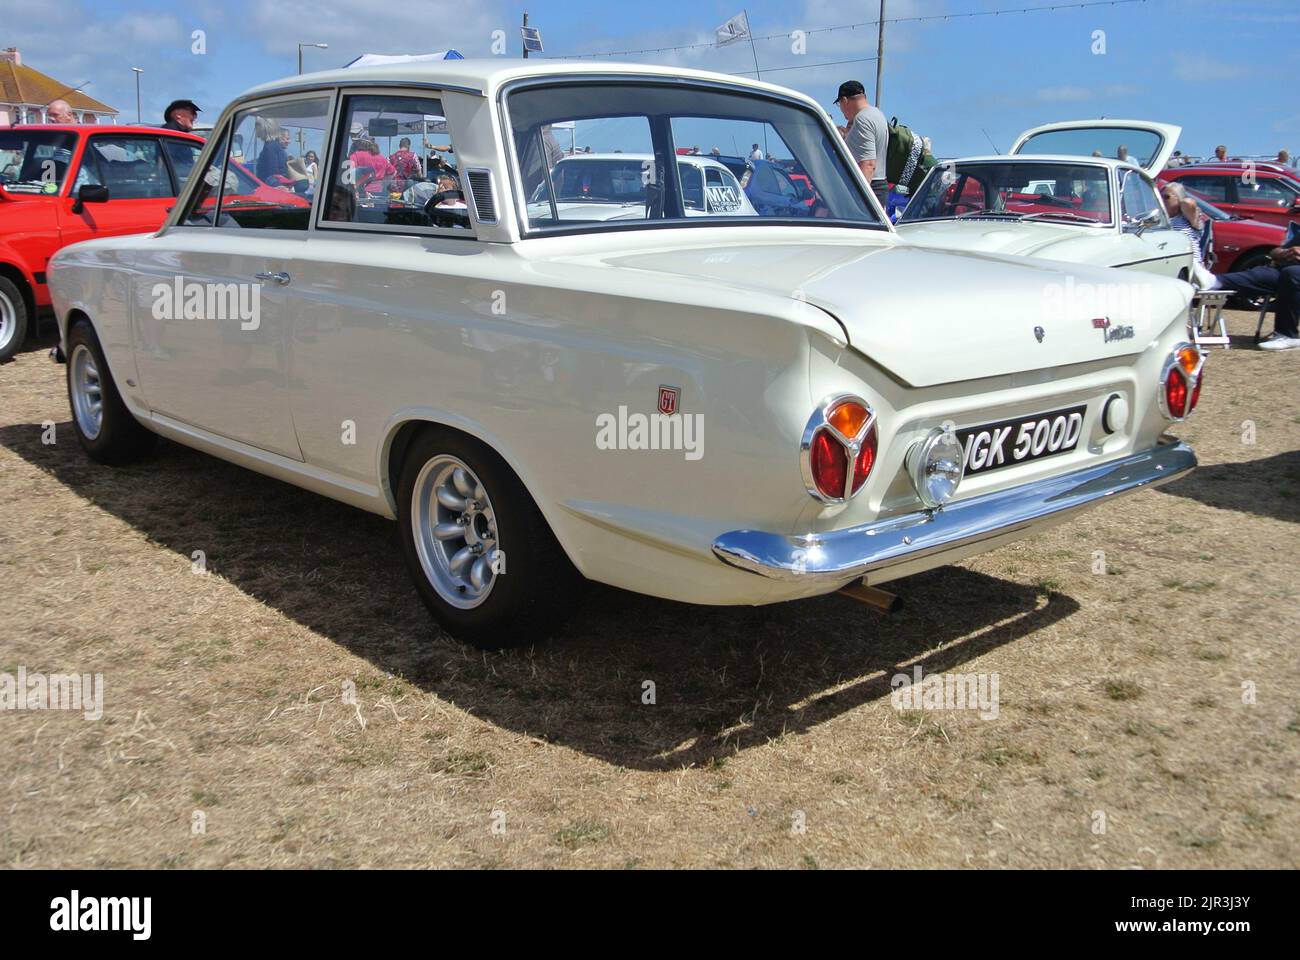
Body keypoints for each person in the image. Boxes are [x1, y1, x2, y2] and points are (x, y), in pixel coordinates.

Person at [1212, 245, 1300, 350]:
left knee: (1291, 274)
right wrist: (1284, 252)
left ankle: (1288, 335)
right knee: (1263, 275)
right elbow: (1274, 251)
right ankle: (1210, 281)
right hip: (1285, 270)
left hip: (1292, 273)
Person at [833, 79, 889, 209]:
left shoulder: (862, 120)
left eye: (839, 104)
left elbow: (868, 164)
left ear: (844, 100)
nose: (841, 110)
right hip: (879, 185)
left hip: (869, 187)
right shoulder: (877, 114)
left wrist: (858, 199)